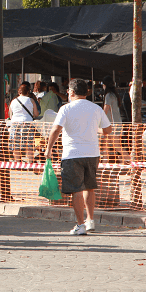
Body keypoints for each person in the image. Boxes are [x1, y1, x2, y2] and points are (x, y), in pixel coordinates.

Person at [43, 79, 112, 235]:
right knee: (90, 187)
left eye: (68, 91)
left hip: (72, 154)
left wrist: (49, 149)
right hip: (93, 153)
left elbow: (56, 129)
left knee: (76, 190)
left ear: (72, 92)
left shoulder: (66, 109)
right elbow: (108, 129)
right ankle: (91, 220)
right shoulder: (96, 108)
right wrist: (96, 130)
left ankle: (80, 224)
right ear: (86, 92)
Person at [9, 82, 39, 162]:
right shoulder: (31, 100)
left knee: (16, 144)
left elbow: (11, 115)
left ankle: (18, 162)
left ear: (19, 92)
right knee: (29, 143)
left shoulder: (13, 101)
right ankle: (30, 161)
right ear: (28, 92)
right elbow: (36, 114)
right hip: (27, 123)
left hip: (15, 124)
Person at [102, 76, 129, 163]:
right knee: (107, 144)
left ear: (105, 85)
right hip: (115, 123)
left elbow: (106, 109)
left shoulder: (108, 95)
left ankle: (129, 160)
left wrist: (99, 119)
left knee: (115, 145)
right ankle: (105, 162)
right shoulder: (114, 95)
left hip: (112, 124)